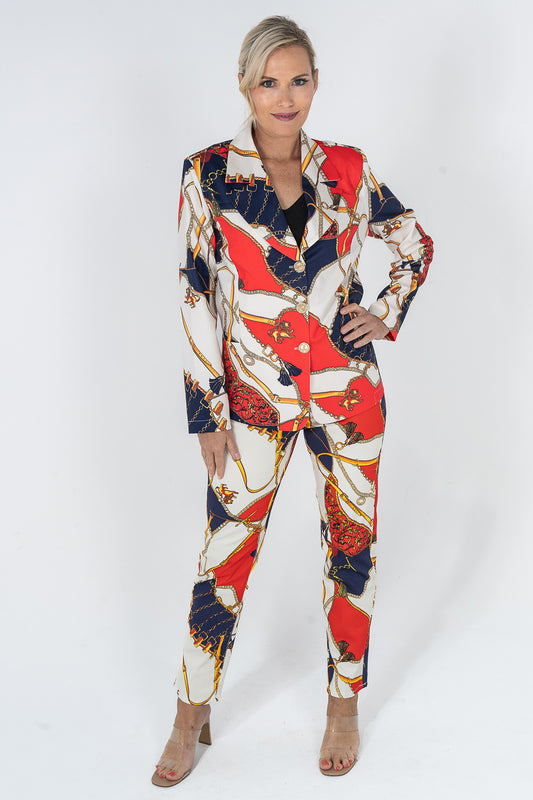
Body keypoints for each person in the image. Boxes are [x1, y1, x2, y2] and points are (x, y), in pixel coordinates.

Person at [152, 15, 433, 786]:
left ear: (315, 84)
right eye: (269, 82)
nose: (285, 97)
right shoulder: (207, 174)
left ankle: (343, 706)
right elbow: (194, 292)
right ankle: (188, 715)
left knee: (351, 551)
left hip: (348, 396)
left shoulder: (347, 167)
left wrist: (384, 312)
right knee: (224, 554)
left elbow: (412, 242)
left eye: (298, 80)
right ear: (245, 86)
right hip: (251, 401)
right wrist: (206, 412)